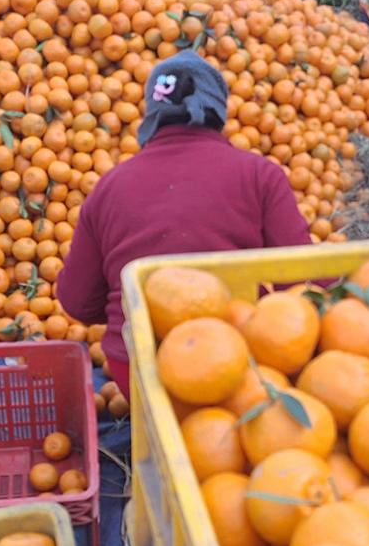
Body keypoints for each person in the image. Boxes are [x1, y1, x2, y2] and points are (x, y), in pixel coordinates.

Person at [57, 51, 312, 396]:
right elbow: (304, 281)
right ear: (217, 113)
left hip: (135, 367)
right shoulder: (259, 174)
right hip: (236, 362)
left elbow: (77, 302)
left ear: (152, 116)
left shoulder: (110, 185)